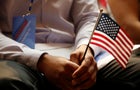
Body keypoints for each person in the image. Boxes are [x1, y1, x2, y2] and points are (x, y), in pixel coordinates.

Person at [0, 0, 140, 90]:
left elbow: (89, 17)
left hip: (73, 50)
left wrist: (86, 48)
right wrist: (41, 60)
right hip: (17, 54)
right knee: (8, 82)